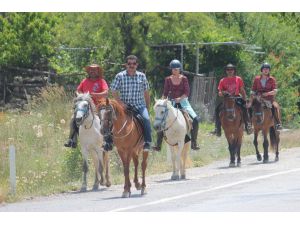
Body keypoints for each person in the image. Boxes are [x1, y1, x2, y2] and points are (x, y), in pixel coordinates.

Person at [152, 59, 201, 151]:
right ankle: (158, 144)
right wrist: (162, 101)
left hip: (183, 102)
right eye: (173, 69)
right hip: (171, 102)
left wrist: (180, 98)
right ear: (171, 69)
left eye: (176, 69)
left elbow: (187, 92)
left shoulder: (184, 79)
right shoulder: (168, 79)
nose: (175, 70)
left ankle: (194, 142)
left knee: (196, 119)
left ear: (180, 69)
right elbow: (165, 92)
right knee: (161, 119)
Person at [109, 55, 152, 151]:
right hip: (124, 106)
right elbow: (113, 90)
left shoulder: (142, 76)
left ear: (137, 65)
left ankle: (148, 142)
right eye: (129, 64)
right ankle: (108, 141)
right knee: (111, 118)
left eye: (134, 63)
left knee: (146, 119)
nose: (131, 65)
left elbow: (146, 93)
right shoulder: (120, 76)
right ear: (126, 65)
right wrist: (120, 103)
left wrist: (147, 108)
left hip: (139, 105)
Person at [64, 64, 109, 148]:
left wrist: (93, 95)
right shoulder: (84, 81)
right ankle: (72, 139)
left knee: (104, 118)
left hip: (98, 106)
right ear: (88, 71)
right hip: (85, 106)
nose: (92, 71)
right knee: (73, 118)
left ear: (98, 71)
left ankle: (106, 140)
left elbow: (106, 93)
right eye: (91, 70)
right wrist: (83, 97)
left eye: (95, 70)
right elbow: (78, 91)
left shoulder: (101, 81)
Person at [211, 63, 252, 136]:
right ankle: (217, 128)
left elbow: (242, 90)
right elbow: (220, 91)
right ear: (226, 71)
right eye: (228, 69)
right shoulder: (222, 80)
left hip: (236, 98)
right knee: (217, 109)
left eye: (231, 69)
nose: (230, 71)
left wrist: (245, 100)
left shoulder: (238, 79)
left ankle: (248, 125)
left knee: (245, 108)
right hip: (227, 99)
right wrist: (221, 93)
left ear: (234, 70)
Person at [246, 62, 283, 130]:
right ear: (262, 70)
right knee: (248, 106)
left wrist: (268, 93)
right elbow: (253, 90)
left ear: (269, 70)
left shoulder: (272, 79)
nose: (266, 70)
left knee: (275, 106)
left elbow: (275, 91)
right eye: (264, 69)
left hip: (269, 99)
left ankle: (278, 123)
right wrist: (252, 97)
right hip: (258, 98)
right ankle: (249, 123)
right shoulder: (257, 79)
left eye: (267, 69)